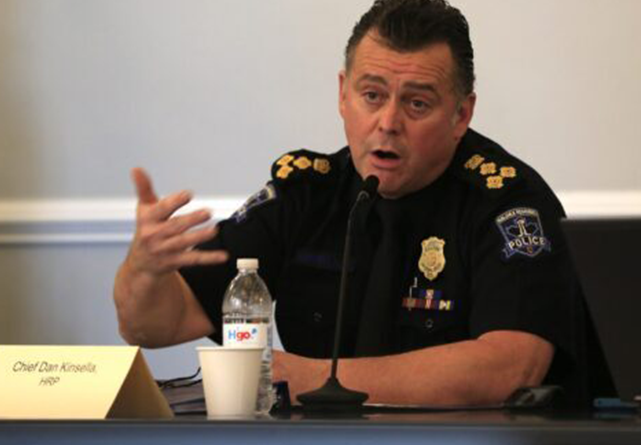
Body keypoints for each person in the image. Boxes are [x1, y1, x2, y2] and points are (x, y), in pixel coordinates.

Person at [113, 0, 594, 407]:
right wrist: (144, 269)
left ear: (461, 114)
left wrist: (310, 379)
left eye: (417, 104)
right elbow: (156, 324)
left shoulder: (508, 203)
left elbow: (510, 367)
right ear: (343, 95)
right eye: (372, 95)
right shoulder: (307, 193)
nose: (387, 122)